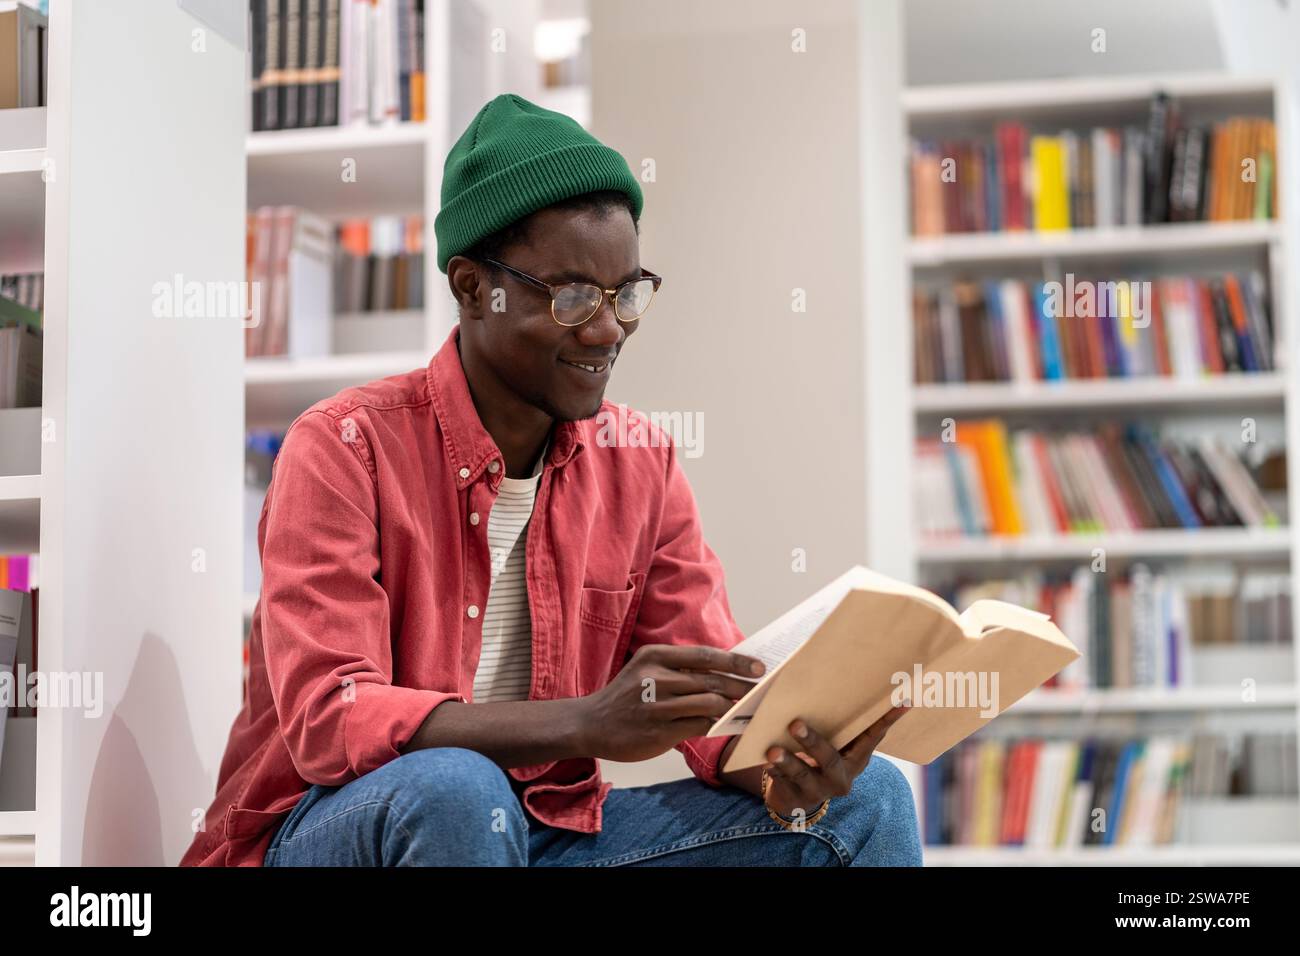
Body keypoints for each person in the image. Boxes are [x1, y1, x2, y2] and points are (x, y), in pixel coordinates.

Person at [181, 93, 921, 867]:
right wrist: (583, 722)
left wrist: (787, 766)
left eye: (626, 293)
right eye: (572, 298)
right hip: (328, 832)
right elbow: (333, 719)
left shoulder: (641, 460)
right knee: (457, 792)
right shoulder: (342, 448)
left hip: (547, 833)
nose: (607, 330)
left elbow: (710, 718)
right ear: (472, 288)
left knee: (866, 805)